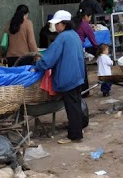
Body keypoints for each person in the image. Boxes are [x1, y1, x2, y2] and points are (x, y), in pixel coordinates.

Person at [33, 10, 86, 144]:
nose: (55, 27)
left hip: (68, 77)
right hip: (78, 75)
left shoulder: (62, 38)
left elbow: (49, 59)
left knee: (71, 107)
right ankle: (78, 130)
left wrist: (37, 66)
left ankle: (74, 135)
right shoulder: (74, 35)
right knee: (76, 104)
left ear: (64, 24)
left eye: (57, 24)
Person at [73, 8, 99, 96]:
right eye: (90, 17)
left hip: (69, 48)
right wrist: (100, 50)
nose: (90, 19)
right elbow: (93, 41)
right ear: (86, 16)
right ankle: (84, 92)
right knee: (82, 70)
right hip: (78, 49)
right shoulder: (85, 25)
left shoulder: (74, 22)